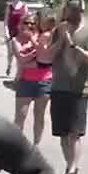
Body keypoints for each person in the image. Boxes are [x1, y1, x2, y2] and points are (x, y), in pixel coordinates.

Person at [48, 0, 88, 174]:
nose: (72, 14)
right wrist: (62, 40)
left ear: (81, 11)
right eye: (69, 10)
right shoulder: (59, 29)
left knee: (75, 133)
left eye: (76, 10)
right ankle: (69, 169)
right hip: (58, 87)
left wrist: (74, 46)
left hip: (80, 88)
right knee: (63, 134)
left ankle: (73, 171)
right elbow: (47, 56)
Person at [13, 11, 55, 144]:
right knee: (21, 115)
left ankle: (36, 145)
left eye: (33, 23)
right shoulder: (16, 40)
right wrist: (38, 54)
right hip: (25, 81)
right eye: (26, 23)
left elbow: (47, 56)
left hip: (44, 80)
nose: (30, 25)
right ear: (21, 24)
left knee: (39, 115)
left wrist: (35, 56)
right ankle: (16, 144)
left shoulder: (43, 36)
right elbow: (21, 59)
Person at [3, 0, 30, 77]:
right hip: (11, 31)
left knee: (20, 52)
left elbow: (27, 19)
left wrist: (26, 31)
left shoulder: (24, 6)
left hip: (20, 32)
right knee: (10, 52)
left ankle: (19, 70)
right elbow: (6, 21)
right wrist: (6, 32)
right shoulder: (9, 7)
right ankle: (9, 66)